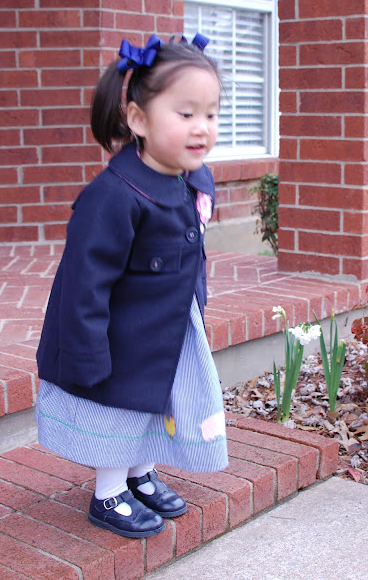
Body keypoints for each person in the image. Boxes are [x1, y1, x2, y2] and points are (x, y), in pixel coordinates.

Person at [35, 33, 228, 539]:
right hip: (117, 337)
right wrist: (85, 354)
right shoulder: (114, 198)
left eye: (211, 114)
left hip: (165, 326)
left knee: (155, 402)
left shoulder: (192, 180)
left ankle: (140, 474)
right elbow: (83, 286)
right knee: (117, 410)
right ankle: (108, 493)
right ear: (138, 119)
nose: (202, 127)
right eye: (185, 113)